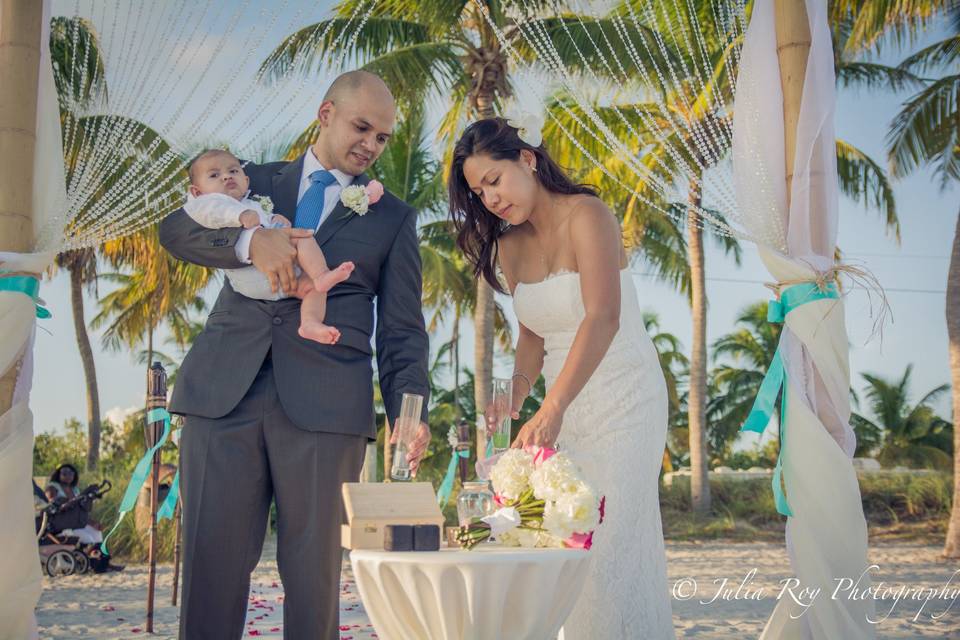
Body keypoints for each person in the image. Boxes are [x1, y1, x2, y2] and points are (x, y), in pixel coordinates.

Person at [159, 70, 431, 640]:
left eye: (382, 137)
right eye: (362, 127)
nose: (371, 145)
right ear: (325, 113)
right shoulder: (244, 178)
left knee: (314, 582)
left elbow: (402, 330)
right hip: (221, 396)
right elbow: (175, 229)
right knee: (211, 568)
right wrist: (247, 241)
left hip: (327, 410)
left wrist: (411, 411)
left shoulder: (393, 217)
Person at [449, 116, 676, 639]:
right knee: (567, 545)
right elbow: (532, 338)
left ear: (527, 159)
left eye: (494, 180)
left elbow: (603, 316)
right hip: (563, 408)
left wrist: (553, 407)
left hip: (625, 398)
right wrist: (517, 396)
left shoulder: (589, 215)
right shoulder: (508, 248)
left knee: (608, 542)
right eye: (478, 191)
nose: (489, 199)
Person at [183, 149, 358, 344]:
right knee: (303, 237)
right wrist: (240, 217)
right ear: (196, 192)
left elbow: (266, 223)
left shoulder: (251, 202)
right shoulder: (208, 203)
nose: (226, 177)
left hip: (280, 279)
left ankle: (310, 322)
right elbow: (213, 212)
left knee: (314, 288)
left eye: (233, 171)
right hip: (250, 275)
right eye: (214, 175)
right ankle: (321, 273)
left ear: (246, 181)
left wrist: (274, 219)